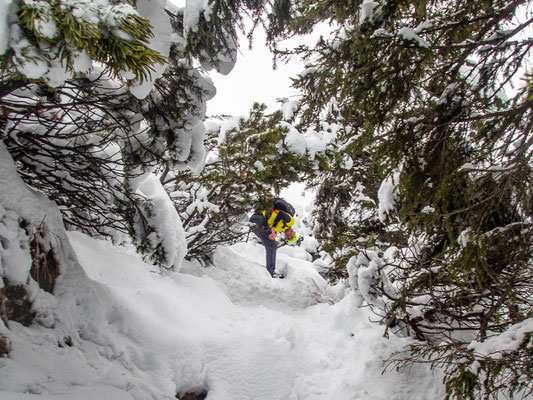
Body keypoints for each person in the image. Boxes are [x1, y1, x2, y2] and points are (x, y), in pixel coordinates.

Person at [249, 197, 298, 278]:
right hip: (259, 219)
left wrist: (273, 231)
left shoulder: (280, 229)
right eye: (291, 235)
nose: (289, 236)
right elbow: (280, 213)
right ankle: (271, 271)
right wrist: (273, 228)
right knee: (272, 245)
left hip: (256, 223)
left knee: (270, 242)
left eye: (288, 237)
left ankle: (270, 270)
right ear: (293, 232)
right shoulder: (290, 222)